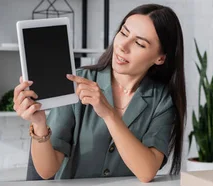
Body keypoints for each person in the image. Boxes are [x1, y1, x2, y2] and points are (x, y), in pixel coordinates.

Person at [14, 3, 186, 183]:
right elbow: (46, 170)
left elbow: (146, 171)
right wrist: (40, 124)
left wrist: (109, 114)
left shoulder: (162, 100)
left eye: (139, 43)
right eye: (124, 33)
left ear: (160, 58)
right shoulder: (78, 82)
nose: (123, 46)